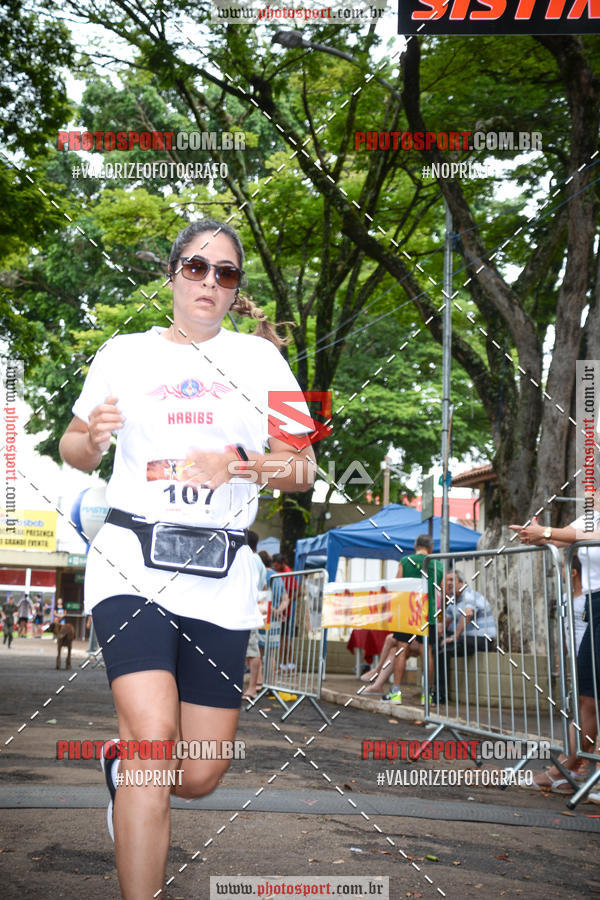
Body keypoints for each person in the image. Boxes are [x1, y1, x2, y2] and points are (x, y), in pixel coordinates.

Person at [58, 218, 316, 900]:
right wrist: (94, 438)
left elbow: (302, 470)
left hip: (222, 577)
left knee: (197, 772)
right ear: (173, 275)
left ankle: (122, 773)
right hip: (131, 559)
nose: (209, 282)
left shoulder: (263, 363)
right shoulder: (123, 353)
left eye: (224, 273)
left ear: (236, 290)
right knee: (153, 740)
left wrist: (237, 464)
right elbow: (74, 446)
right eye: (196, 268)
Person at [510, 512, 600, 792]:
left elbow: (562, 535)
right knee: (588, 695)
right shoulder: (591, 515)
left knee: (592, 696)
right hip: (594, 603)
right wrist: (535, 533)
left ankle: (570, 767)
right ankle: (568, 767)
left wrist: (547, 533)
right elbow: (562, 537)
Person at [362, 535, 442, 701]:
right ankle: (427, 695)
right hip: (428, 614)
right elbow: (441, 593)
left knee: (400, 650)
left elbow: (397, 586)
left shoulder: (405, 561)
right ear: (431, 548)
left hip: (408, 614)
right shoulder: (438, 564)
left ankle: (396, 693)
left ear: (415, 545)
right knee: (427, 653)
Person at [434, 569, 497, 704]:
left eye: (452, 580)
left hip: (482, 639)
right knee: (435, 647)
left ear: (461, 583)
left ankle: (440, 695)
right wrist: (440, 626)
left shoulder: (469, 595)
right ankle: (434, 690)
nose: (448, 583)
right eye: (446, 580)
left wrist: (455, 636)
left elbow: (467, 614)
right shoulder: (453, 600)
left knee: (443, 652)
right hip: (466, 639)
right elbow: (446, 620)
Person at [244, 530, 266, 701]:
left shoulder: (251, 559)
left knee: (252, 651)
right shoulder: (258, 560)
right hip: (250, 608)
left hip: (247, 609)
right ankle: (252, 686)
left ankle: (252, 688)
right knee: (250, 651)